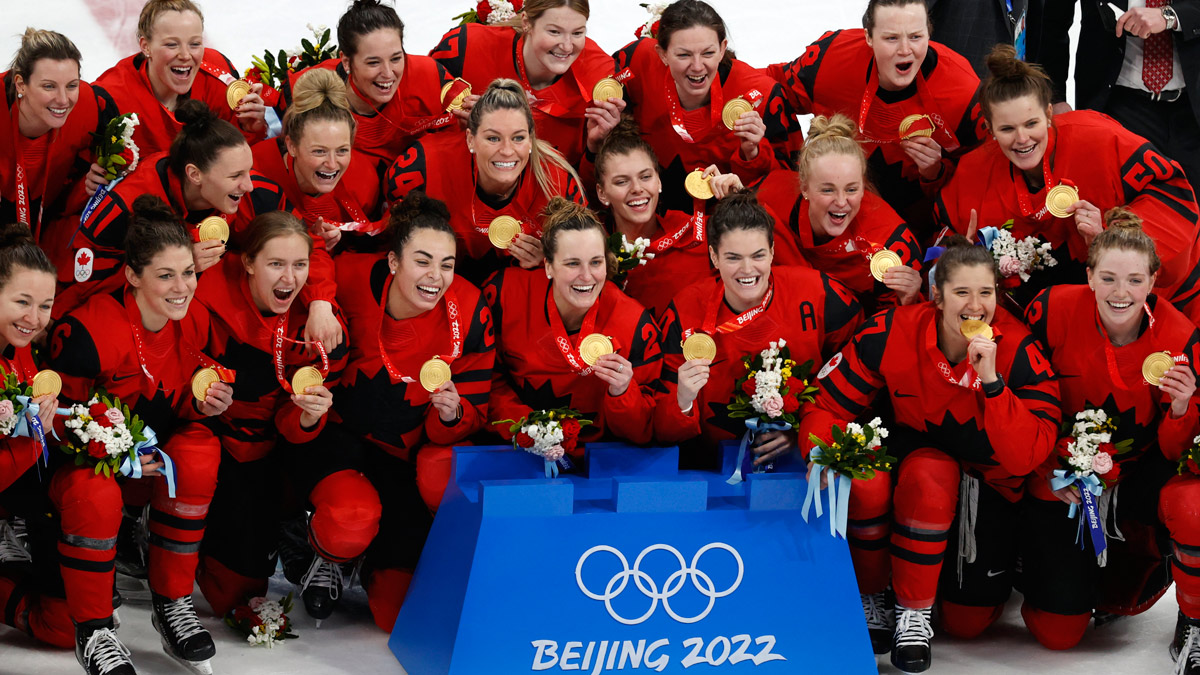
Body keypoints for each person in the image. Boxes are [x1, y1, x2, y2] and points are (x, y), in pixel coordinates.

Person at [800, 236, 1060, 672]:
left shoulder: (1018, 351)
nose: (975, 306)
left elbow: (1025, 457)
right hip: (916, 453)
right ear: (936, 296)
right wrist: (820, 451)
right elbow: (826, 404)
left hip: (989, 483)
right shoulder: (892, 330)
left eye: (986, 292)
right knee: (878, 477)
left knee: (968, 621)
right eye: (962, 292)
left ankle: (917, 606)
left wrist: (993, 384)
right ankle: (881, 600)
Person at [48, 195, 230, 675]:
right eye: (165, 275)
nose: (182, 287)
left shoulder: (196, 318)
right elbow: (52, 423)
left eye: (188, 272)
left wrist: (208, 403)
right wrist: (116, 454)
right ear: (132, 275)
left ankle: (172, 602)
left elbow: (179, 398)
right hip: (80, 471)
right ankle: (94, 629)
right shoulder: (88, 329)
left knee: (199, 452)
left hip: (150, 464)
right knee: (96, 491)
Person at [1021, 209, 1200, 673]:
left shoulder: (1181, 337)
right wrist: (1044, 470)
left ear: (1153, 281)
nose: (1121, 293)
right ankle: (1020, 568)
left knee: (1189, 503)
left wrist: (1181, 410)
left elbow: (1173, 454)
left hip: (1138, 478)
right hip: (1060, 475)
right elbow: (1023, 399)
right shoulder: (1050, 309)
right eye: (1108, 278)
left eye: (1135, 280)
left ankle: (1185, 601)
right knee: (1058, 635)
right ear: (1089, 275)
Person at [313, 192, 495, 631]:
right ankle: (328, 554)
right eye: (423, 261)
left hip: (405, 457)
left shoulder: (470, 310)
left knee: (394, 616)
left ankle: (374, 555)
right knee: (348, 518)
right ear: (393, 262)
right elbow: (310, 249)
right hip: (342, 441)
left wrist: (452, 414)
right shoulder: (353, 276)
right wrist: (320, 298)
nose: (436, 276)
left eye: (447, 264)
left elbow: (476, 411)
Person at [935, 45, 1200, 318]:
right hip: (1054, 314)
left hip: (1157, 300)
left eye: (1031, 123)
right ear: (990, 129)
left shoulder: (1099, 139)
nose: (1022, 138)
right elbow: (941, 252)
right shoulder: (973, 174)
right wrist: (966, 257)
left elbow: (1173, 193)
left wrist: (1111, 238)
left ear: (1049, 114)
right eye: (1007, 129)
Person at [69, 99, 342, 350]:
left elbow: (309, 246)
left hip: (207, 318)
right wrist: (178, 270)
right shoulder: (123, 207)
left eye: (248, 170)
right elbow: (85, 285)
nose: (248, 185)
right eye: (235, 175)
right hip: (133, 323)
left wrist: (320, 303)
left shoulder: (257, 193)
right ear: (195, 175)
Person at [193, 211, 348, 620]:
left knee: (237, 598)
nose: (289, 278)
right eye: (276, 264)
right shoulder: (202, 287)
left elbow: (293, 429)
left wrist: (308, 417)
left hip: (265, 451)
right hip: (206, 434)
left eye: (299, 266)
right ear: (247, 262)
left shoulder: (321, 326)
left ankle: (290, 522)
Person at [654, 189, 862, 470]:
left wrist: (803, 432)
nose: (747, 269)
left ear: (773, 252)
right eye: (733, 258)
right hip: (708, 466)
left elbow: (858, 382)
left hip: (801, 465)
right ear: (714, 257)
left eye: (758, 255)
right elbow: (662, 432)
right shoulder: (684, 311)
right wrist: (683, 401)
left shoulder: (820, 294)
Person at [766, 0, 985, 237]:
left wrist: (936, 171)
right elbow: (770, 86)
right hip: (829, 214)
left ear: (929, 33)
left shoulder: (963, 92)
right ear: (868, 37)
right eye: (891, 38)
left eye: (915, 37)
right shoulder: (833, 56)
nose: (904, 50)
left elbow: (985, 177)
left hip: (917, 230)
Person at [485, 197, 661, 455]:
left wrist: (623, 392)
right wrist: (529, 428)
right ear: (548, 265)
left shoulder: (635, 322)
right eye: (572, 263)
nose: (587, 276)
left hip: (598, 462)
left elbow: (643, 433)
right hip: (515, 452)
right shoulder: (504, 295)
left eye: (595, 262)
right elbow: (486, 383)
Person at [384, 78, 584, 285]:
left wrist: (549, 259)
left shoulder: (558, 181)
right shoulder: (422, 167)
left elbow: (586, 261)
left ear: (531, 139)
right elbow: (394, 253)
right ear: (471, 139)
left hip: (517, 291)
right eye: (493, 138)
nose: (507, 151)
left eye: (518, 138)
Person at [612, 0, 801, 214]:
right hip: (645, 213)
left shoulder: (763, 96)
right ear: (662, 53)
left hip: (727, 224)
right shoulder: (637, 61)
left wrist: (752, 154)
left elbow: (789, 188)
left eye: (708, 53)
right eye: (683, 55)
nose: (697, 66)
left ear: (722, 49)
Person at [729, 113, 924, 315]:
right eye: (827, 190)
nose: (841, 202)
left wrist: (908, 302)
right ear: (804, 187)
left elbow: (896, 327)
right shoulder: (769, 195)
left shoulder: (893, 243)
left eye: (851, 189)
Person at [430, 0, 618, 167]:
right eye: (554, 32)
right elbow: (421, 121)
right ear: (527, 22)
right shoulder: (467, 47)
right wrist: (457, 125)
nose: (567, 46)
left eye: (577, 33)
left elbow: (589, 190)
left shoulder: (600, 80)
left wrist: (596, 148)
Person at [277, 0, 454, 173]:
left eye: (396, 58)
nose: (388, 73)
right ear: (346, 62)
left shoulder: (429, 75)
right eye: (373, 62)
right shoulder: (303, 92)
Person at [1039, 0, 1200, 184]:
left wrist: (1170, 16)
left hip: (1192, 103)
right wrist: (1054, 97)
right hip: (1116, 103)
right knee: (1120, 207)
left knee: (1191, 206)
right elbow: (1052, 22)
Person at [0, 224, 66, 654]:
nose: (34, 318)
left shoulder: (21, 349)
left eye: (44, 305)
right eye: (22, 301)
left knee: (61, 627)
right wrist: (30, 439)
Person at [94, 0, 270, 156]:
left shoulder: (219, 75)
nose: (186, 55)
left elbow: (239, 165)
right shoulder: (110, 98)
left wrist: (251, 129)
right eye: (172, 44)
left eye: (195, 44)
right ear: (145, 47)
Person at [0, 29, 117, 244]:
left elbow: (120, 156)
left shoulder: (91, 107)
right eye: (49, 86)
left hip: (48, 221)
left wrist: (88, 183)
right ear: (20, 84)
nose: (63, 100)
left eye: (72, 85)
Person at [253, 68, 384, 253]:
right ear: (291, 146)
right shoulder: (256, 169)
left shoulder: (363, 180)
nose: (332, 164)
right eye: (319, 151)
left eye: (342, 151)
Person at [593, 118, 712, 318]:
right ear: (602, 193)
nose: (637, 188)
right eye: (622, 181)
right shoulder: (591, 253)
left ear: (659, 181)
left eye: (645, 177)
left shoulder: (698, 233)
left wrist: (738, 198)